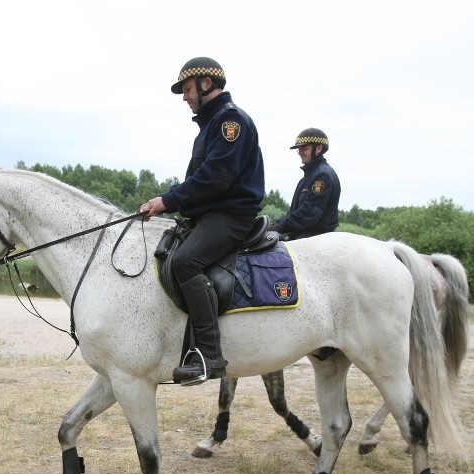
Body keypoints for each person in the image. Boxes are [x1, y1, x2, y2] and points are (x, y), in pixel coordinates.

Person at [140, 56, 265, 385]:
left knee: (185, 262)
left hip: (231, 216)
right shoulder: (211, 125)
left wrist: (168, 200)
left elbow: (215, 178)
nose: (184, 96)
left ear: (206, 83)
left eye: (187, 88)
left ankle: (210, 356)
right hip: (211, 214)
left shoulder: (229, 122)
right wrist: (170, 199)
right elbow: (199, 179)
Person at [267, 128, 341, 239]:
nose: (300, 153)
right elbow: (295, 213)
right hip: (303, 236)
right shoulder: (308, 178)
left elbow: (307, 215)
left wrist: (278, 227)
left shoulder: (322, 177)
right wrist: (271, 225)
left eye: (305, 148)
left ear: (319, 148)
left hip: (315, 238)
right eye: (299, 149)